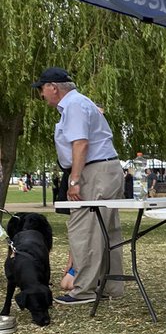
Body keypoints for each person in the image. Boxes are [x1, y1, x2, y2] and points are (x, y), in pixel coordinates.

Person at [33, 67, 124, 306]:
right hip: (107, 169)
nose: (42, 95)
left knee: (85, 229)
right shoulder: (82, 103)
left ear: (53, 87)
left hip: (94, 171)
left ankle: (84, 290)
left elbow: (80, 144)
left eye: (42, 89)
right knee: (106, 229)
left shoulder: (73, 106)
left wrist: (73, 180)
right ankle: (109, 285)